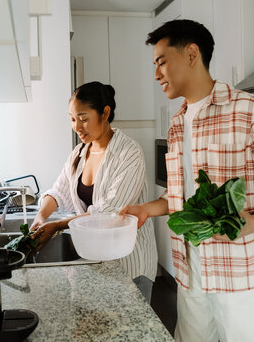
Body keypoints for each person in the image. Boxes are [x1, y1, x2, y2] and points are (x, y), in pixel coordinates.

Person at [120, 19, 254, 342]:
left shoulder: (250, 110)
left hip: (239, 275)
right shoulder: (178, 123)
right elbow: (182, 197)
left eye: (161, 62)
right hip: (190, 271)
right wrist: (145, 210)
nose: (156, 75)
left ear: (192, 54)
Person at [30, 81, 158, 301]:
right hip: (94, 263)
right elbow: (58, 191)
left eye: (84, 119)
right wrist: (42, 216)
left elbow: (108, 213)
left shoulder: (129, 153)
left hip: (129, 266)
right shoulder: (79, 153)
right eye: (72, 119)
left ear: (105, 113)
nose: (77, 127)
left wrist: (57, 226)